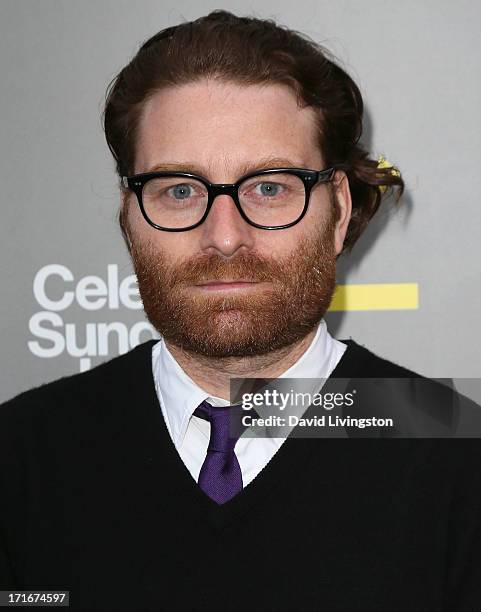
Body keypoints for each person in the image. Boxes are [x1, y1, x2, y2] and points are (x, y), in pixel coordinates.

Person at [0, 10, 480, 611]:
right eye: (180, 190)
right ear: (129, 218)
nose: (224, 237)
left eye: (270, 186)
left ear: (336, 211)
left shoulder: (459, 461)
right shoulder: (20, 456)